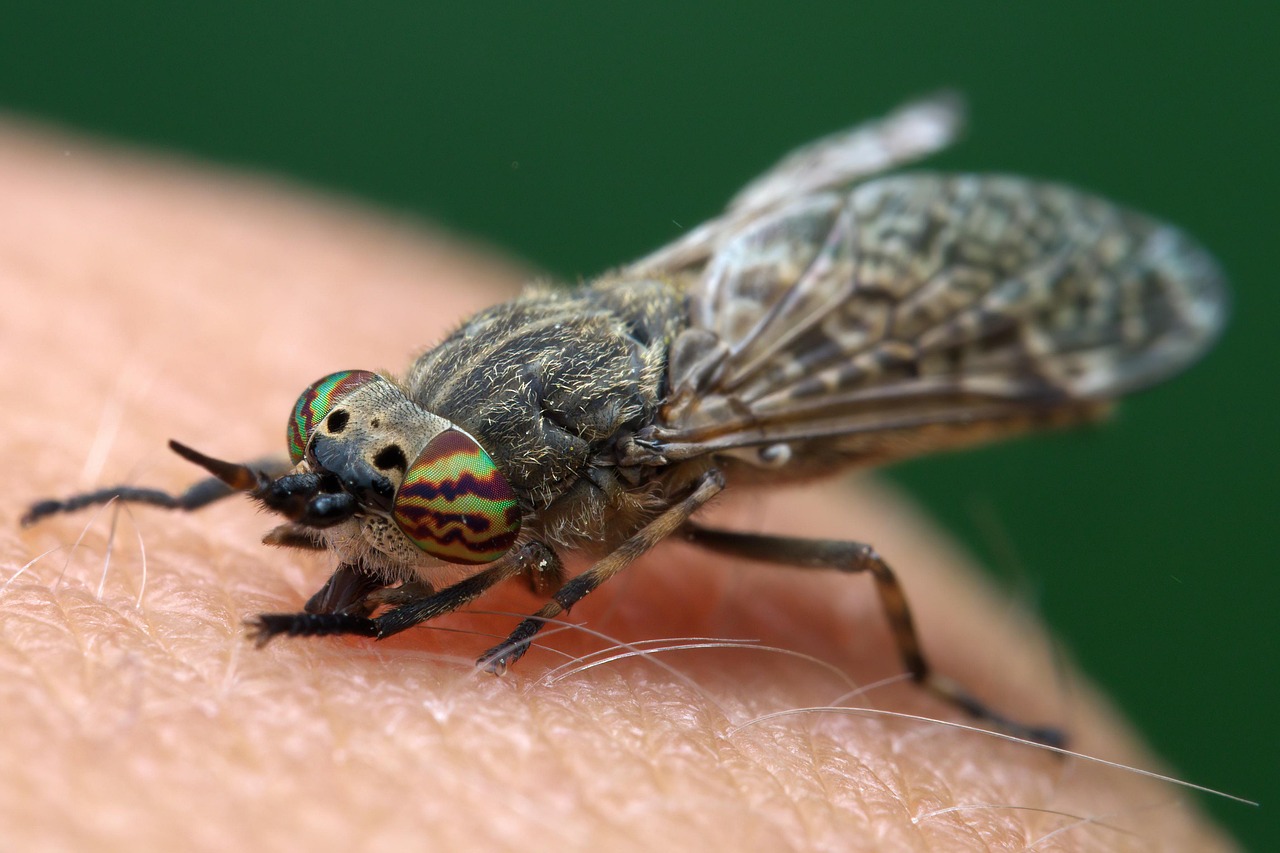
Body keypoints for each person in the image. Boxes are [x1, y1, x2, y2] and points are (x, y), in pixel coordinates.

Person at [1, 123, 1232, 850]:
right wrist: (211, 496)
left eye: (412, 493)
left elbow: (674, 496)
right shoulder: (457, 448)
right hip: (671, 337)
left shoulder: (641, 451)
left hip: (759, 396)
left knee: (861, 559)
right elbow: (386, 483)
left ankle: (934, 688)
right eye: (349, 432)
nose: (356, 469)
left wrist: (555, 601)